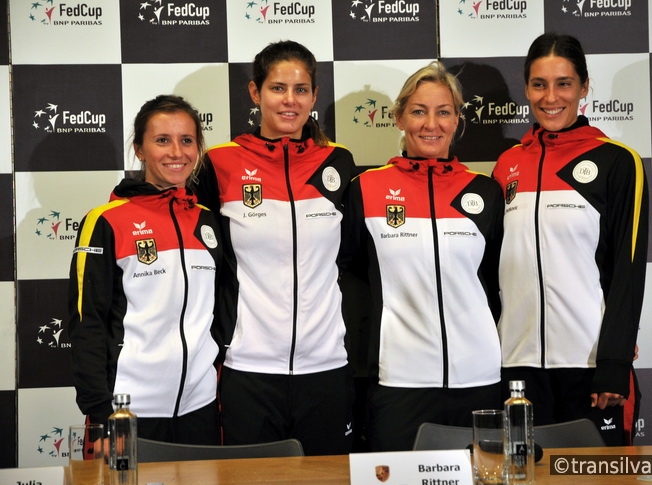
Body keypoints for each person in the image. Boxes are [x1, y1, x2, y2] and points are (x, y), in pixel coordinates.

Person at [195, 40, 356, 456]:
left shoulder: (337, 162)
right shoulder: (220, 162)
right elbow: (197, 258)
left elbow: (352, 259)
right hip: (249, 370)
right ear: (255, 92)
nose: (290, 100)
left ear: (315, 96)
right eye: (278, 88)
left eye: (301, 89)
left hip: (326, 367)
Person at [491, 32, 649, 446]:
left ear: (583, 86)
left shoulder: (617, 161)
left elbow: (628, 272)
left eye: (563, 83)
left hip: (590, 367)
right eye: (539, 84)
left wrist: (613, 363)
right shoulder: (507, 165)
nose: (550, 97)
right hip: (516, 367)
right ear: (526, 88)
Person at [343, 61, 504, 451]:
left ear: (457, 120)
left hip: (479, 379)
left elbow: (497, 281)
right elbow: (350, 276)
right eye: (418, 111)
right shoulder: (365, 189)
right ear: (399, 117)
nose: (431, 124)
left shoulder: (485, 192)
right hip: (399, 381)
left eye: (443, 112)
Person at [68, 94, 223, 445]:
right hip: (130, 410)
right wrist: (101, 411)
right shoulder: (106, 220)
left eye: (187, 140)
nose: (176, 152)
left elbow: (220, 308)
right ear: (139, 149)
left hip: (200, 406)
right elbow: (86, 321)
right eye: (162, 140)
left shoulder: (207, 219)